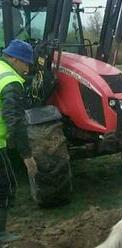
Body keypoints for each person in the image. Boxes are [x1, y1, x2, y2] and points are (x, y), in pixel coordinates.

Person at [0, 39, 37, 243]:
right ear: (14, 59)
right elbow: (14, 120)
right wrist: (27, 156)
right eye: (25, 63)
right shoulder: (10, 81)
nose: (27, 68)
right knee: (6, 187)